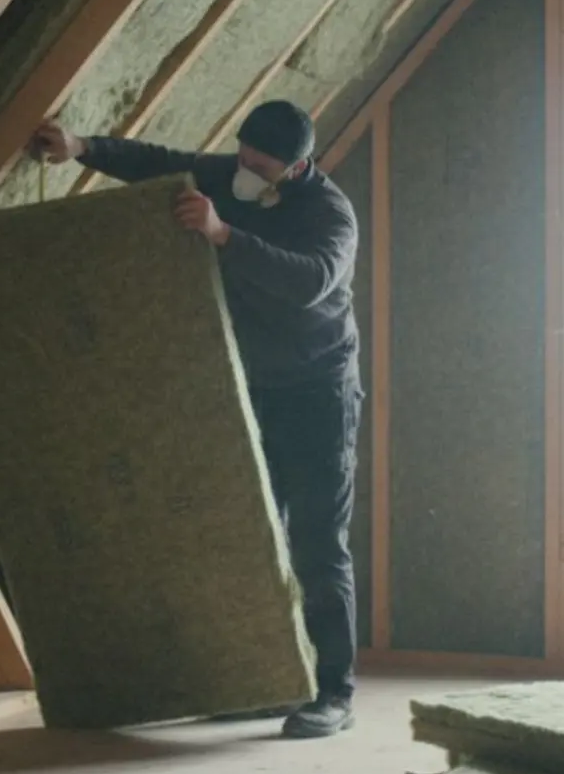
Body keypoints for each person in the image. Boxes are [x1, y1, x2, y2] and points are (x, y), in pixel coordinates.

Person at [28, 100, 363, 740]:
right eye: (241, 158)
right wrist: (81, 147)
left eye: (259, 167)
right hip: (251, 387)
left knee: (318, 545)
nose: (243, 173)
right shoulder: (228, 176)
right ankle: (271, 678)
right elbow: (161, 165)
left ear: (294, 169)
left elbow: (312, 282)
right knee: (253, 536)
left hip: (319, 393)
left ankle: (333, 692)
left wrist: (224, 236)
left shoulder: (329, 214)